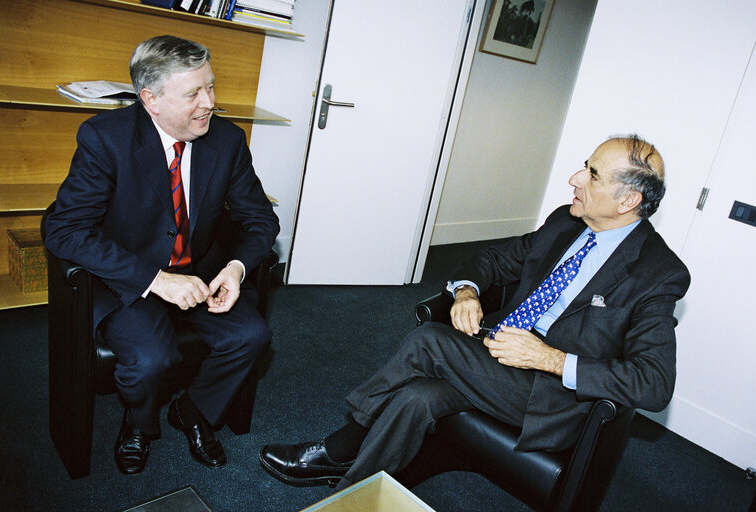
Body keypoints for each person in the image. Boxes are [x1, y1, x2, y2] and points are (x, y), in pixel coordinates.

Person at [259, 135, 690, 490]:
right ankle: (353, 490)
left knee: (429, 341)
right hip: (496, 356)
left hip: (551, 395)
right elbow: (494, 260)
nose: (575, 178)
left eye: (592, 174)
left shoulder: (657, 273)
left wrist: (549, 359)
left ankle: (336, 448)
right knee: (416, 397)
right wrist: (465, 292)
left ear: (627, 200)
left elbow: (653, 384)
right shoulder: (566, 222)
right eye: (584, 165)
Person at [45, 35, 279, 475]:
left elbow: (261, 220)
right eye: (193, 93)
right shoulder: (105, 139)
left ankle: (192, 412)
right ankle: (138, 422)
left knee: (252, 338)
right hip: (131, 276)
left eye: (211, 86)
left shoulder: (226, 141)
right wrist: (156, 280)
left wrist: (235, 267)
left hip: (202, 270)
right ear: (150, 99)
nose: (209, 102)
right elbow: (63, 229)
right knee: (151, 360)